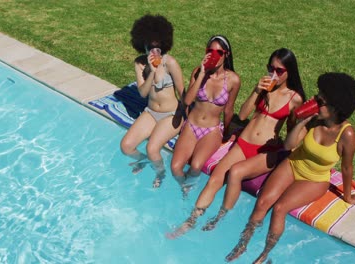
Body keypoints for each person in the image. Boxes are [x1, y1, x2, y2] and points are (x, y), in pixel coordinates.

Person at [225, 72, 355, 263]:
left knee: (280, 208)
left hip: (315, 178)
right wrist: (301, 123)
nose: (315, 101)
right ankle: (243, 243)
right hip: (292, 163)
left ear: (335, 108)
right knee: (263, 201)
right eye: (317, 96)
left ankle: (264, 255)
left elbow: (347, 168)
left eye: (321, 100)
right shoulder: (315, 120)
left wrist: (347, 196)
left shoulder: (347, 135)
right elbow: (288, 146)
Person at [167, 48, 305, 238]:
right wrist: (257, 90)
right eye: (270, 68)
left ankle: (219, 218)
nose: (273, 73)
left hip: (266, 149)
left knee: (235, 173)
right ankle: (191, 220)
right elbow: (242, 115)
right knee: (215, 178)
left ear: (289, 71)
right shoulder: (264, 88)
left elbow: (291, 131)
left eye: (279, 71)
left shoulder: (295, 99)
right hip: (243, 142)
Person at [120, 14, 185, 188]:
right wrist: (151, 71)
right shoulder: (140, 63)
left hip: (171, 114)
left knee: (152, 148)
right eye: (150, 47)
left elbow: (183, 92)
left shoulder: (170, 62)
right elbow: (142, 93)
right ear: (143, 45)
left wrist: (186, 117)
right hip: (150, 112)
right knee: (126, 146)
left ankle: (160, 173)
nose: (154, 51)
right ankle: (143, 161)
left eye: (158, 47)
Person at [170, 35, 241, 194]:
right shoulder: (198, 71)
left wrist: (227, 134)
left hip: (211, 130)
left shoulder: (233, 80)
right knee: (175, 167)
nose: (214, 55)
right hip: (191, 126)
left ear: (226, 54)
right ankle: (185, 188)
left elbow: (229, 110)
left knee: (196, 166)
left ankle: (187, 190)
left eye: (219, 52)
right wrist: (202, 73)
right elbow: (187, 101)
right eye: (210, 51)